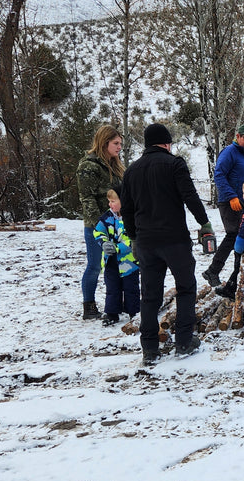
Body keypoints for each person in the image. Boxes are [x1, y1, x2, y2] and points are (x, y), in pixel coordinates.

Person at [120, 123, 214, 365]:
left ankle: (149, 349)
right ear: (166, 142)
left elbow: (127, 211)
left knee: (149, 296)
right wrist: (204, 224)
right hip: (175, 240)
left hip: (146, 242)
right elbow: (190, 196)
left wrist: (133, 238)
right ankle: (184, 341)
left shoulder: (131, 171)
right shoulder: (174, 164)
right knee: (185, 288)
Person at [77, 125, 125, 320]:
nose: (119, 147)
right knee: (95, 265)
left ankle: (117, 302)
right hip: (97, 225)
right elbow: (86, 197)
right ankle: (89, 305)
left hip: (118, 224)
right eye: (116, 143)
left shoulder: (115, 163)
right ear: (104, 143)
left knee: (119, 263)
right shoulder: (88, 166)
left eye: (120, 143)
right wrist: (100, 225)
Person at [203, 124, 244, 289]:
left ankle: (237, 276)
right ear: (238, 136)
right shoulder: (229, 152)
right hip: (229, 202)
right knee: (234, 235)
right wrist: (232, 196)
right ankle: (213, 271)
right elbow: (218, 175)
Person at [93, 187, 140, 327]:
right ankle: (112, 313)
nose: (110, 204)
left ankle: (134, 311)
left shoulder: (131, 217)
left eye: (113, 201)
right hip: (110, 260)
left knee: (131, 287)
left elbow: (133, 238)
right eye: (109, 201)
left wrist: (118, 247)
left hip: (129, 261)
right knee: (112, 287)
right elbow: (97, 231)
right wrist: (104, 242)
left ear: (123, 201)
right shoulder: (107, 217)